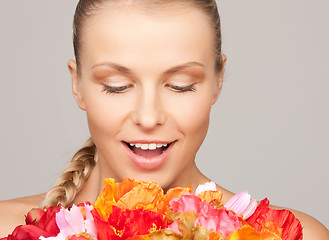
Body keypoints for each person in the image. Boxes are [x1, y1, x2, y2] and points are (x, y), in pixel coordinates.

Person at [0, 0, 328, 238]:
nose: (148, 116)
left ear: (218, 81)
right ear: (78, 85)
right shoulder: (7, 229)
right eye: (117, 87)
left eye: (179, 85)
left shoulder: (290, 236)